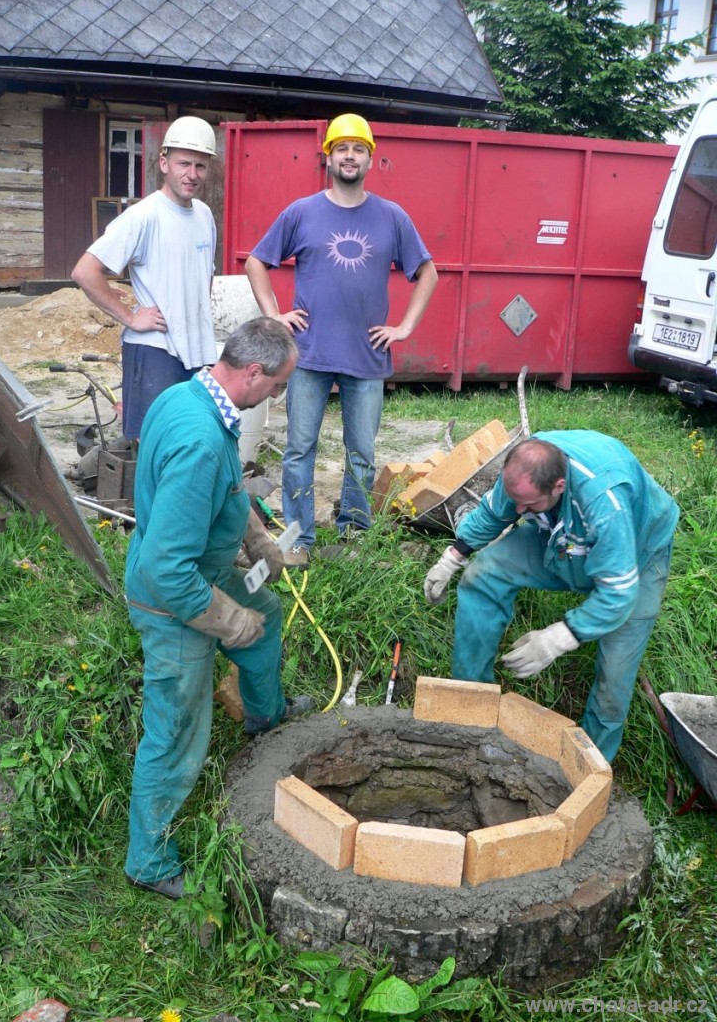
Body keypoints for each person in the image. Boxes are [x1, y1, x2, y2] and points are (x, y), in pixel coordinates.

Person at [123, 317, 313, 900]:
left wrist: (256, 539)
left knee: (268, 618)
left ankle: (264, 717)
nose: (278, 397)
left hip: (203, 572)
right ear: (253, 373)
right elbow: (166, 570)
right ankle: (149, 860)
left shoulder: (192, 396)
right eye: (278, 386)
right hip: (172, 601)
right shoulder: (200, 441)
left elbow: (226, 490)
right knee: (176, 730)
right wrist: (229, 619)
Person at [245, 112, 438, 567]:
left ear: (371, 159)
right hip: (308, 355)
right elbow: (257, 262)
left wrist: (405, 327)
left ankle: (352, 533)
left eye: (359, 149)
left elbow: (426, 272)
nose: (349, 156)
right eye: (341, 148)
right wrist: (274, 316)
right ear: (327, 157)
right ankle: (298, 536)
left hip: (367, 356)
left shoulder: (392, 217)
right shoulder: (302, 212)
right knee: (298, 450)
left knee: (362, 453)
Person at [423, 431, 679, 762]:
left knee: (615, 673)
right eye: (516, 499)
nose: (518, 509)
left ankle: (588, 767)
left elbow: (617, 592)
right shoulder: (524, 468)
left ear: (558, 486)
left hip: (638, 554)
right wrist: (455, 555)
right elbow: (494, 511)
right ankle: (471, 704)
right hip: (562, 538)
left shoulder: (605, 502)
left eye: (527, 505)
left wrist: (561, 636)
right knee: (485, 572)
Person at [71, 116, 218, 440]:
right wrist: (131, 317)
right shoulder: (144, 215)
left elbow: (203, 280)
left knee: (189, 442)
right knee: (152, 444)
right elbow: (85, 271)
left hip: (197, 352)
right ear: (164, 162)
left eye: (200, 166)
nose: (192, 174)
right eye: (184, 163)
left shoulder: (205, 215)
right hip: (156, 351)